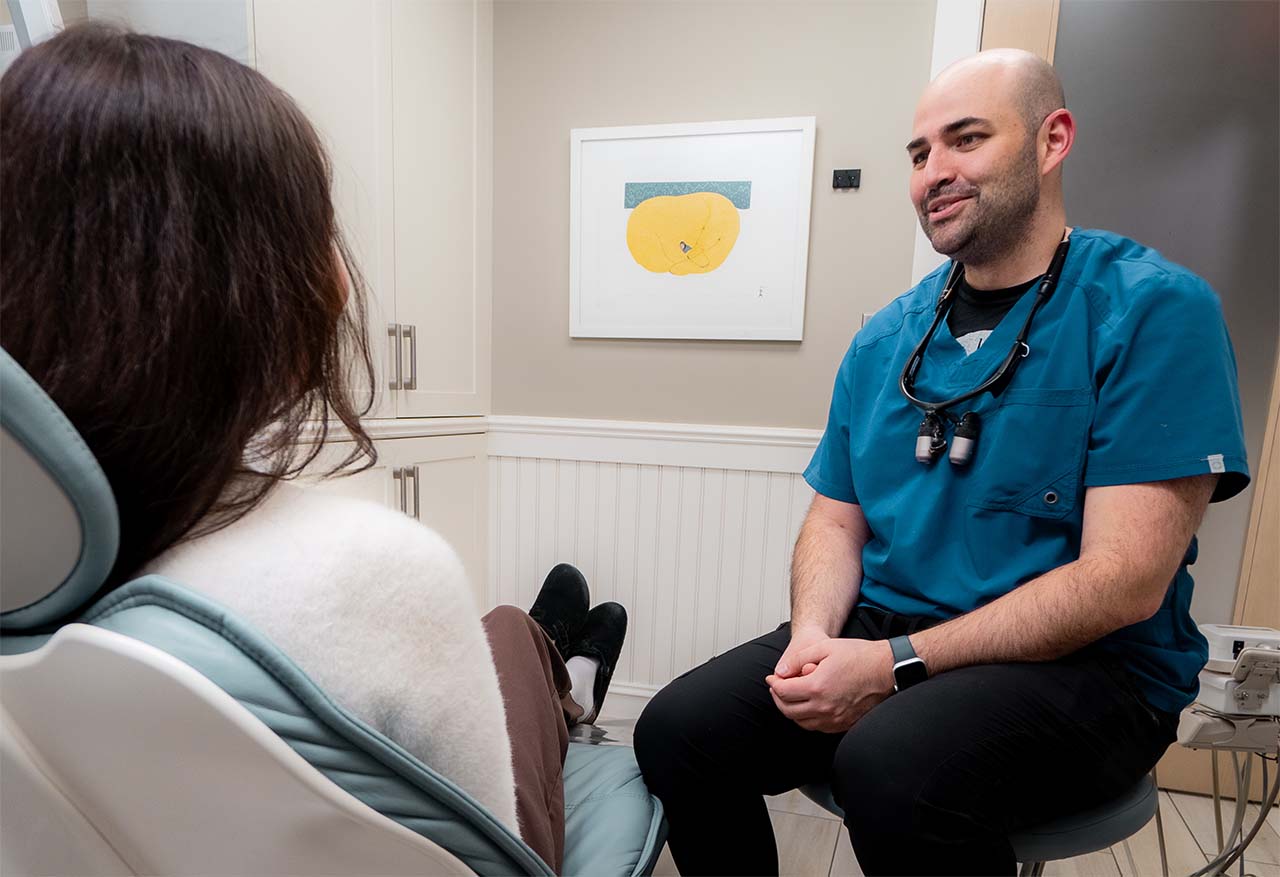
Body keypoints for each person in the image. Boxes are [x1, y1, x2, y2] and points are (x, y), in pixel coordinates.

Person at [0, 23, 626, 872]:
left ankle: (557, 672)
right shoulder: (370, 569)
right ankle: (567, 684)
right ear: (259, 288)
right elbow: (500, 850)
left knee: (504, 632)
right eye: (321, 229)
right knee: (507, 631)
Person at [634, 48, 1251, 876]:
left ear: (1052, 139)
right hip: (886, 630)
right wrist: (814, 635)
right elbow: (835, 519)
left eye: (966, 139)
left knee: (892, 768)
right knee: (677, 731)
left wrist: (894, 667)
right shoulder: (886, 337)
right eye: (920, 153)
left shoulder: (1152, 310)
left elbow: (1124, 582)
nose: (934, 172)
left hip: (1092, 666)